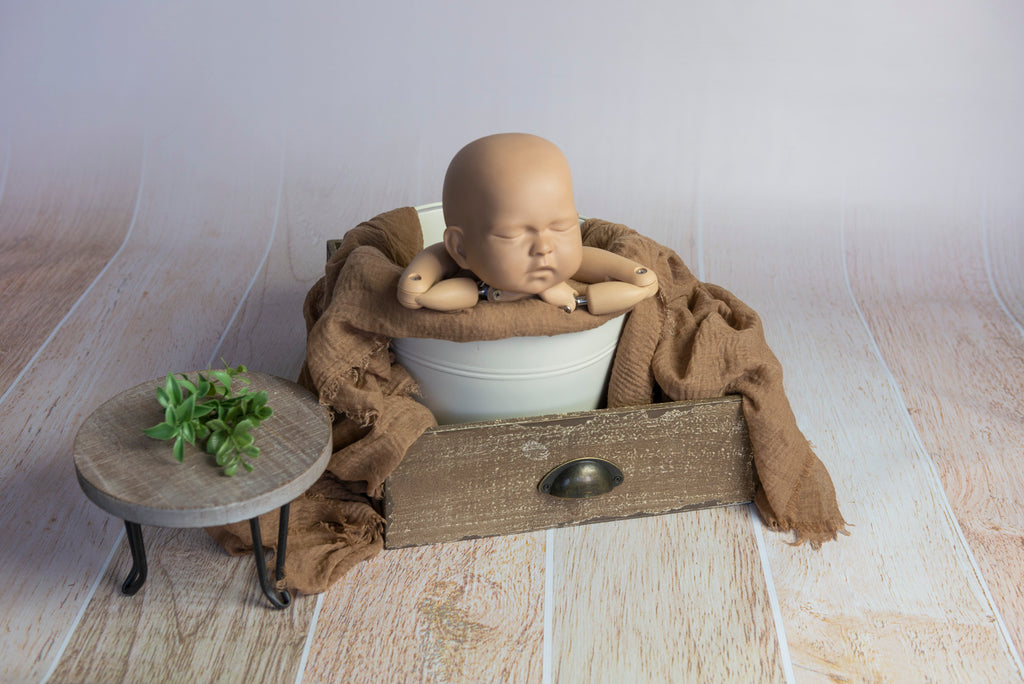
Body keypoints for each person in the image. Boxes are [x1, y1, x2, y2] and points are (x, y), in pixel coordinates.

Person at [396, 133, 658, 315]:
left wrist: (636, 277)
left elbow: (583, 259)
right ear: (460, 248)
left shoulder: (568, 262)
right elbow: (435, 260)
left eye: (561, 227)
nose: (544, 247)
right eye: (512, 235)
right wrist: (416, 286)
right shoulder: (461, 267)